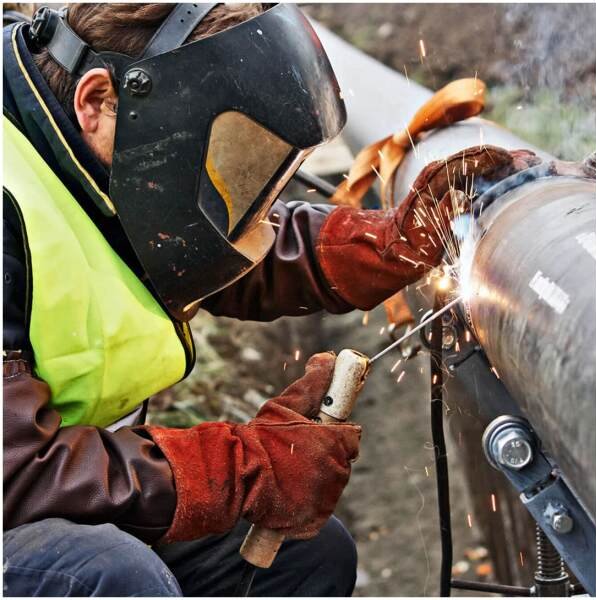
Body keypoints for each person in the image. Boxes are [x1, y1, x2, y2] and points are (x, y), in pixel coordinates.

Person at [3, 3, 539, 596]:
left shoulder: (90, 151)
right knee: (108, 577)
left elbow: (201, 237)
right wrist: (239, 469)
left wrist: (381, 244)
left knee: (307, 556)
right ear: (98, 100)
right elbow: (14, 475)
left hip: (58, 492)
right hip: (22, 501)